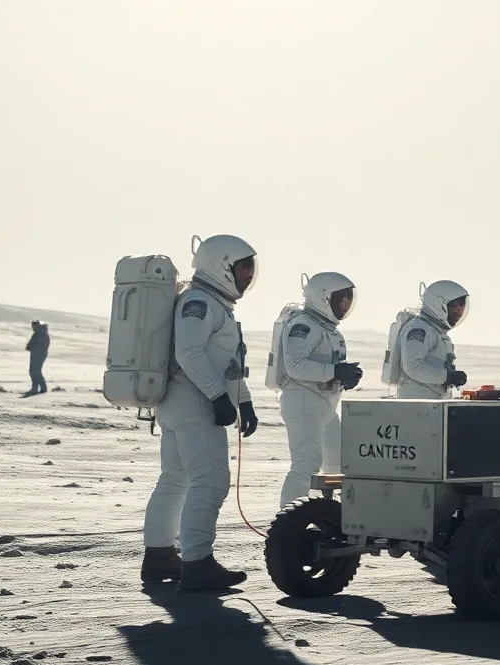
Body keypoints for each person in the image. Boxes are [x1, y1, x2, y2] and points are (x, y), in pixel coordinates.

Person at [140, 234, 260, 591]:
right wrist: (218, 398)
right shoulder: (199, 302)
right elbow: (190, 354)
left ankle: (160, 556)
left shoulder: (211, 303)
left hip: (182, 399)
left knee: (175, 479)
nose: (249, 276)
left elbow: (225, 363)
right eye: (243, 267)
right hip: (193, 400)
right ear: (222, 265)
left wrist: (243, 400)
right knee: (209, 481)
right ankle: (198, 564)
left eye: (251, 269)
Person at [276, 272, 362, 508]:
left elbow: (328, 367)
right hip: (303, 401)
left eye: (348, 299)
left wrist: (344, 378)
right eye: (339, 299)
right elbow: (295, 366)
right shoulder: (302, 325)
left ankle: (332, 515)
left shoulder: (332, 332)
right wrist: (335, 372)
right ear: (323, 298)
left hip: (326, 405)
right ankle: (287, 526)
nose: (344, 304)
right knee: (306, 464)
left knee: (341, 464)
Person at [396, 280, 470, 399]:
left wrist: (450, 377)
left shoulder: (436, 330)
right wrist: (447, 377)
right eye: (454, 306)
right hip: (417, 402)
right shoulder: (419, 328)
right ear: (439, 304)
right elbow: (413, 366)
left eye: (462, 305)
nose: (459, 311)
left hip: (433, 403)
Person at [25, 320, 50, 395]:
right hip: (36, 354)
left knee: (35, 371)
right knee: (33, 371)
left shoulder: (41, 333)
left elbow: (41, 346)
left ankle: (41, 388)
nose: (32, 327)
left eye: (33, 326)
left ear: (36, 325)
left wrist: (32, 347)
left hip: (39, 355)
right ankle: (36, 388)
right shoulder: (38, 333)